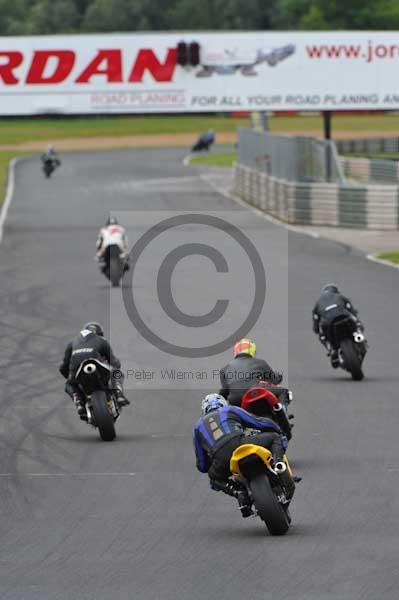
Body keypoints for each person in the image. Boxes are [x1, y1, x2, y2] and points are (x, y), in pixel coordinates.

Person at [193, 394, 295, 517]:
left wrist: (214, 459)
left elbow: (202, 465)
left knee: (214, 477)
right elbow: (258, 422)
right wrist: (276, 428)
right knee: (274, 438)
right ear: (223, 403)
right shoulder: (229, 409)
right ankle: (278, 464)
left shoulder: (198, 427)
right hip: (239, 442)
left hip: (221, 457)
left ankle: (238, 492)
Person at [59, 322, 129, 420]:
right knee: (117, 372)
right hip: (97, 367)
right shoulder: (102, 341)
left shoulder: (72, 342)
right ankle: (118, 394)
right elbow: (114, 363)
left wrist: (71, 379)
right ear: (99, 333)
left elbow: (63, 367)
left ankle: (79, 402)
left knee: (69, 385)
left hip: (78, 369)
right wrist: (116, 365)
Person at [218, 338, 283, 406]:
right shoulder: (260, 362)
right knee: (284, 392)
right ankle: (280, 413)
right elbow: (274, 380)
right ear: (253, 351)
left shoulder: (224, 368)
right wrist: (279, 376)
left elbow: (225, 391)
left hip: (235, 402)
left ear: (235, 351)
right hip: (254, 396)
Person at [312, 284, 364, 367]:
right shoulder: (340, 296)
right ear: (335, 291)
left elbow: (316, 319)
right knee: (357, 325)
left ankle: (332, 350)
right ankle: (359, 337)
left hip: (328, 323)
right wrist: (358, 322)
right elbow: (351, 310)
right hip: (344, 317)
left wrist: (316, 330)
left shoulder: (318, 302)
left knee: (322, 336)